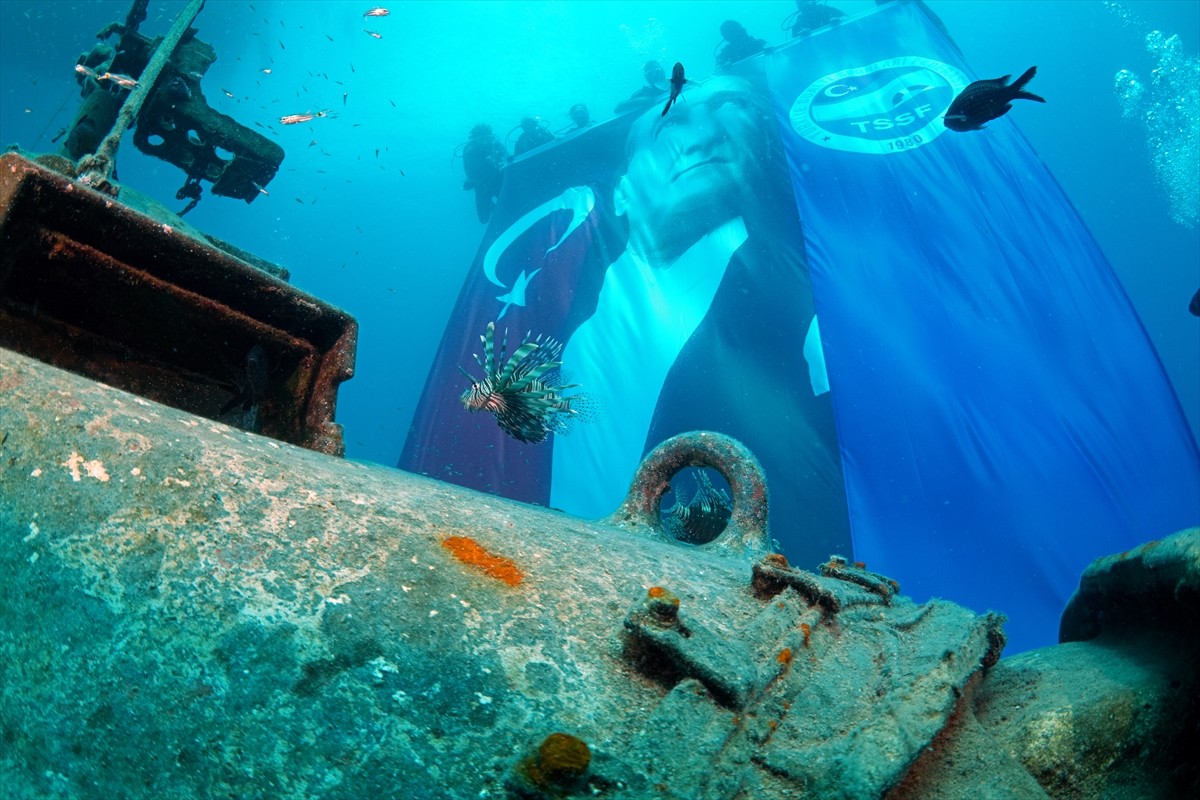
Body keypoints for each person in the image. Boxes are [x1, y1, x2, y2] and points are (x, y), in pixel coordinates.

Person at [550, 76, 850, 567]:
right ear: (622, 194)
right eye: (671, 124)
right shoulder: (581, 338)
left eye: (733, 107)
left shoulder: (810, 298)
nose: (708, 133)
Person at [460, 123, 508, 223]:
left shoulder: (496, 145)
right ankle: (492, 207)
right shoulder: (470, 150)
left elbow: (506, 156)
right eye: (482, 139)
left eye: (489, 138)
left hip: (499, 180)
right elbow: (470, 172)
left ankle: (502, 212)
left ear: (492, 137)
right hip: (481, 184)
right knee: (483, 219)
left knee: (510, 204)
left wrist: (505, 161)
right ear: (475, 140)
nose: (486, 142)